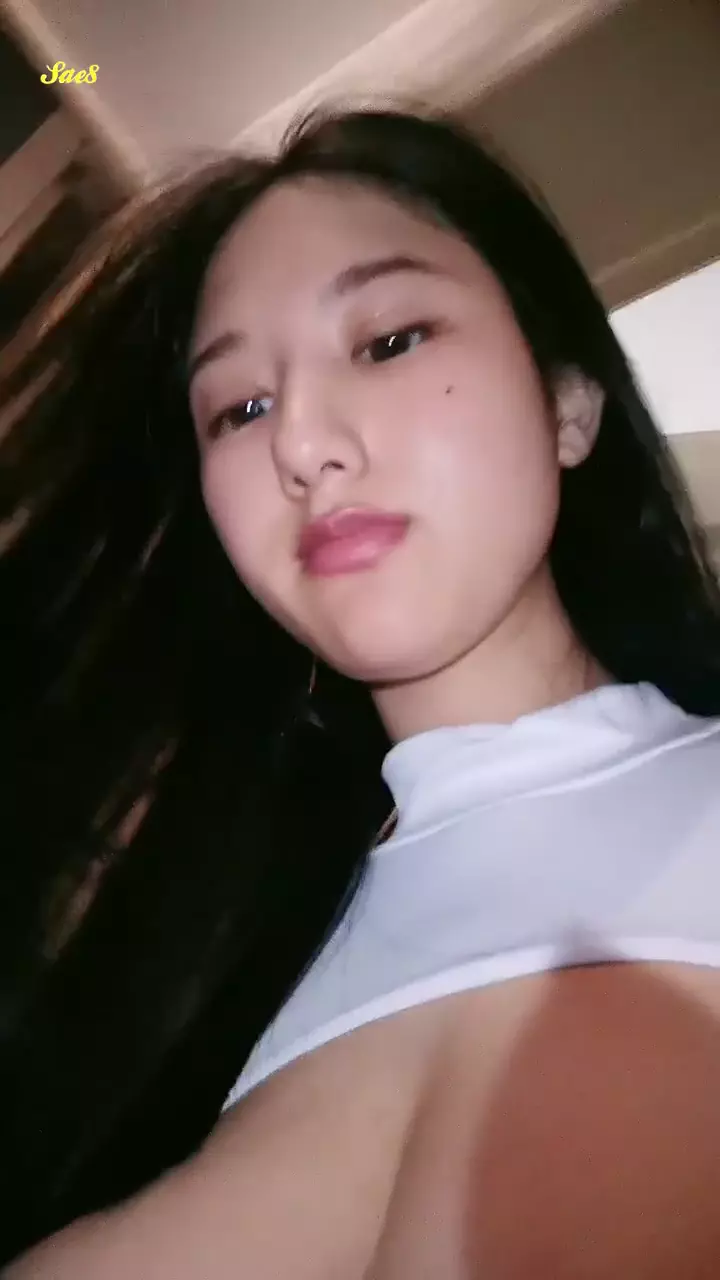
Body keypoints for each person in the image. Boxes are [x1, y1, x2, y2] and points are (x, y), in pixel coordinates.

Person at [2, 105, 720, 1278]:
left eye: (388, 340)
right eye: (239, 407)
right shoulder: (222, 959)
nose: (301, 443)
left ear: (569, 403)